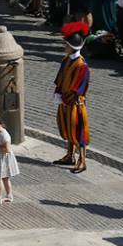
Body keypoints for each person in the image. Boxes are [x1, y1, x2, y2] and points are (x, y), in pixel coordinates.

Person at [53, 22, 91, 174]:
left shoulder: (82, 66)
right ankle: (70, 155)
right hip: (64, 101)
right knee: (67, 130)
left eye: (66, 44)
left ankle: (82, 160)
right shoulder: (66, 60)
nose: (64, 47)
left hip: (75, 103)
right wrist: (58, 92)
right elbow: (60, 78)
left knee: (79, 132)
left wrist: (64, 98)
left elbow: (78, 89)